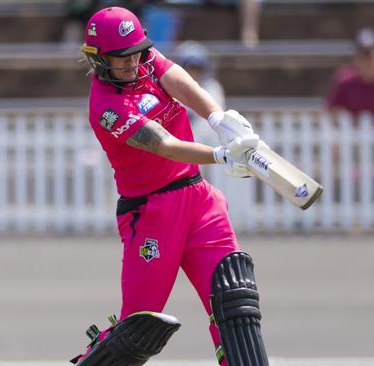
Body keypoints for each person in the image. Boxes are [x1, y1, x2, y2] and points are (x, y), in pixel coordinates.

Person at [72, 6, 269, 366]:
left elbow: (182, 82)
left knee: (235, 300)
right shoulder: (106, 106)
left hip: (200, 202)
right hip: (151, 215)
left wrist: (218, 117)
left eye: (137, 53)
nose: (133, 64)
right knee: (137, 329)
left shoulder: (144, 58)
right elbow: (162, 144)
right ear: (99, 60)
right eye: (122, 59)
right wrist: (221, 155)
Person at [173, 40, 225, 147]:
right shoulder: (172, 88)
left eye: (197, 68)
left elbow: (211, 124)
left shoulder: (212, 88)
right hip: (179, 148)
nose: (193, 72)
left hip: (208, 148)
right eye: (189, 68)